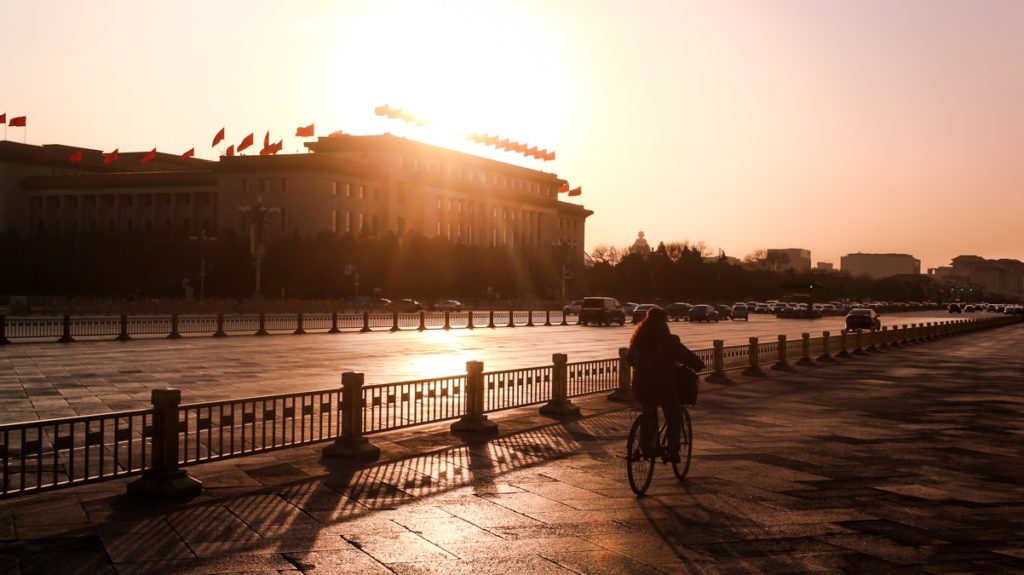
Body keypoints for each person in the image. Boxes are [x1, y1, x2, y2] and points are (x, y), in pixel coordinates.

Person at [627, 307, 705, 462]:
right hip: (664, 388)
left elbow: (629, 360)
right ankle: (672, 449)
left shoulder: (637, 340)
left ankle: (647, 447)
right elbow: (688, 357)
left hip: (640, 387)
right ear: (664, 322)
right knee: (674, 414)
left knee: (649, 412)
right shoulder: (670, 341)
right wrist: (698, 364)